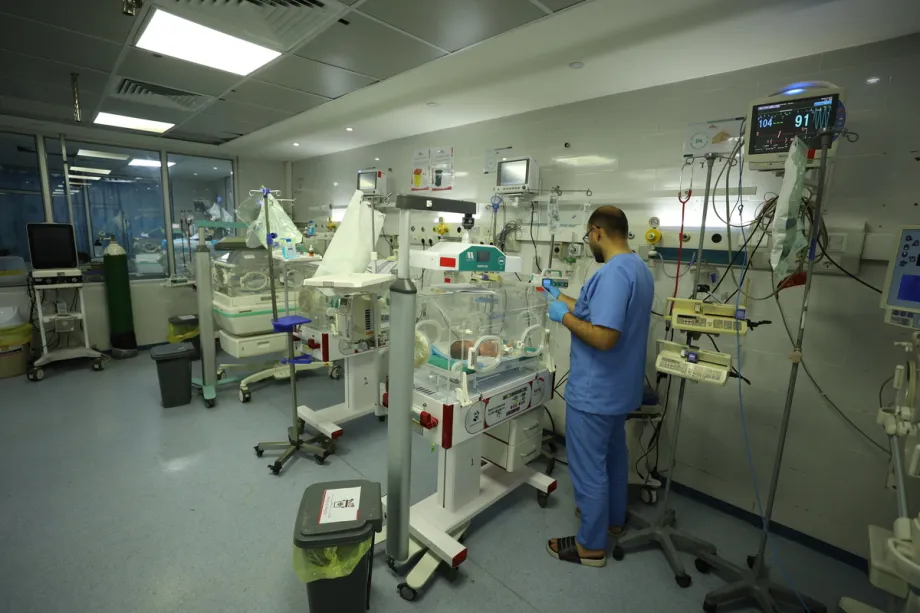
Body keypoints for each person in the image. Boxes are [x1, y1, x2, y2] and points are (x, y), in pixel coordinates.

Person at [544, 205, 654, 567]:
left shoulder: (611, 274)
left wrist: (563, 319)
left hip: (595, 391)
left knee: (589, 467)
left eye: (587, 236)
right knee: (614, 456)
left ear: (597, 232)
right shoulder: (638, 269)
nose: (589, 242)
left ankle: (590, 546)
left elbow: (605, 336)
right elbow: (594, 311)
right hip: (620, 390)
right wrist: (558, 297)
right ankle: (614, 521)